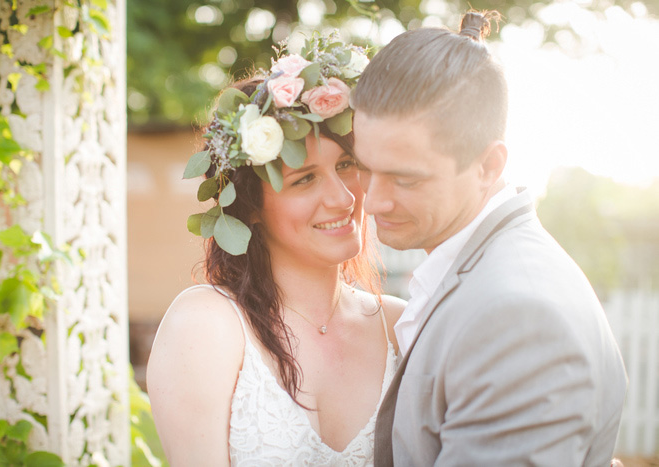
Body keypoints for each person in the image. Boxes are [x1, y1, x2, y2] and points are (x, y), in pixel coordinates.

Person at [350, 11, 628, 466]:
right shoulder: (479, 272)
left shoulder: (519, 318)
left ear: (488, 167)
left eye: (405, 179)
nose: (373, 201)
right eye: (365, 168)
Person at [147, 33, 405, 466]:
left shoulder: (402, 326)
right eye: (305, 178)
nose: (343, 198)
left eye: (346, 166)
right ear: (250, 210)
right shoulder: (208, 326)